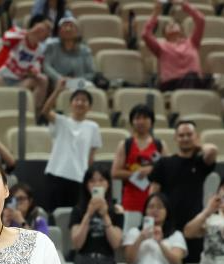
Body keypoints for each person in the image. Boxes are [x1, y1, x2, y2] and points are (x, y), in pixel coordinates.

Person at [149, 119, 218, 263]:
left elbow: (212, 150)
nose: (185, 138)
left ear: (196, 136)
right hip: (168, 223)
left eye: (189, 135)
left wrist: (197, 145)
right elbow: (153, 193)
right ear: (175, 138)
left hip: (193, 224)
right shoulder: (164, 163)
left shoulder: (200, 163)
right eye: (181, 135)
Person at [41, 79, 101, 211]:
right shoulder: (61, 121)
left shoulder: (93, 127)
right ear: (71, 103)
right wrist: (58, 90)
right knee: (53, 213)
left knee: (72, 214)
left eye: (84, 100)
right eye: (77, 99)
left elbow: (91, 156)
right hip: (56, 173)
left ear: (89, 106)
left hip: (78, 177)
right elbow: (45, 111)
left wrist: (88, 176)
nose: (80, 103)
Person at [0, 15, 52, 114]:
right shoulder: (18, 34)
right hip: (1, 76)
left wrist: (33, 72)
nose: (45, 31)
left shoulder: (40, 50)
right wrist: (30, 32)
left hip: (19, 82)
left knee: (43, 80)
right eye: (44, 27)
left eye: (48, 30)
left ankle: (33, 114)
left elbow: (36, 68)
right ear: (35, 25)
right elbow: (6, 39)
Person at [143, 0, 207, 91]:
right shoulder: (161, 46)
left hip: (193, 82)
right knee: (192, 76)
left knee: (204, 78)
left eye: (175, 23)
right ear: (164, 34)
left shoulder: (192, 42)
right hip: (172, 85)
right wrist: (155, 13)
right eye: (168, 25)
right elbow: (145, 34)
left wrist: (183, 3)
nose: (171, 25)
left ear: (181, 30)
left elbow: (201, 20)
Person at [111, 105, 162, 214]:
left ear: (152, 121)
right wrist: (137, 173)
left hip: (154, 199)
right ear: (132, 122)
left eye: (145, 118)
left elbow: (167, 170)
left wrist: (151, 170)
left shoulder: (160, 145)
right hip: (130, 197)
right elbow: (115, 173)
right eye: (137, 118)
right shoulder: (125, 144)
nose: (141, 121)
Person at [42, 16, 95, 86]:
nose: (68, 29)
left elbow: (91, 73)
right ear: (59, 31)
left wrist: (75, 80)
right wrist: (60, 78)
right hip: (59, 83)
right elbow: (46, 66)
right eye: (64, 26)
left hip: (81, 83)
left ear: (78, 32)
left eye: (71, 26)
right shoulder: (51, 47)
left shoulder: (85, 50)